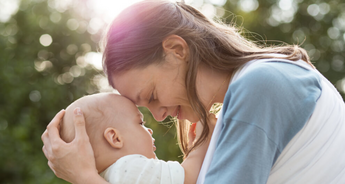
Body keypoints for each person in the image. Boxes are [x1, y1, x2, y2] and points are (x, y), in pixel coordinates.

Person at [42, 0, 345, 183]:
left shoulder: (259, 85)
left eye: (152, 96)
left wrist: (84, 178)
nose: (159, 115)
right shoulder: (263, 82)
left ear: (176, 50)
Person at [58, 92, 214, 184]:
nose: (150, 130)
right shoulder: (129, 169)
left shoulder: (107, 177)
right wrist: (203, 138)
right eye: (140, 122)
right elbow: (187, 178)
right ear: (115, 138)